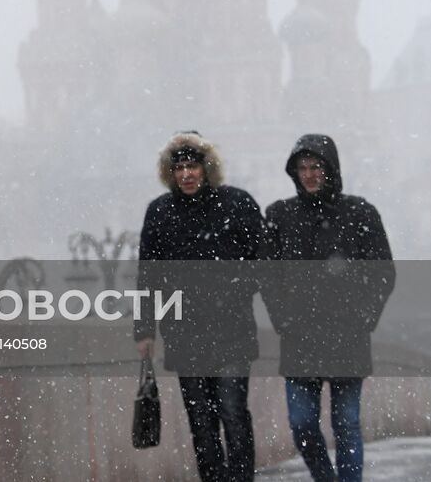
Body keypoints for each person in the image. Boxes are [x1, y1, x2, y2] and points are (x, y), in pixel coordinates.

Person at [262, 134, 395, 482]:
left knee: (346, 423)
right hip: (300, 336)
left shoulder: (360, 212)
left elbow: (382, 272)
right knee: (302, 423)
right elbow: (268, 274)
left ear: (330, 169)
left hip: (347, 335)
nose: (309, 175)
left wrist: (364, 317)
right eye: (302, 168)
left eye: (316, 167)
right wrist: (283, 319)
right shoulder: (280, 215)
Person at [134, 130, 264, 482]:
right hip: (184, 333)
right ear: (170, 173)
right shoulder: (160, 213)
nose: (187, 174)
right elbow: (148, 275)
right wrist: (144, 329)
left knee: (233, 413)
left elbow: (264, 263)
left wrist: (236, 289)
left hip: (231, 329)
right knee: (202, 423)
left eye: (193, 166)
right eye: (179, 168)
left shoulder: (238, 204)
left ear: (207, 169)